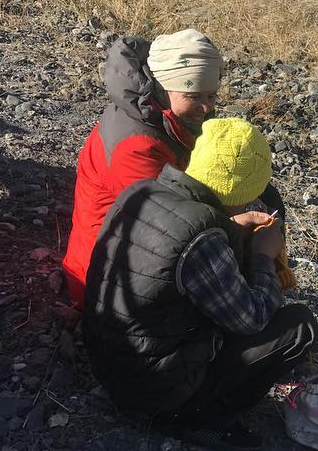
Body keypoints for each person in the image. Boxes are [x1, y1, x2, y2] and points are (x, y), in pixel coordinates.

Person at [81, 117, 315, 451]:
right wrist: (263, 257)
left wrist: (229, 227)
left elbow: (175, 246)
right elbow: (252, 319)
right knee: (299, 326)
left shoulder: (142, 191)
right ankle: (197, 418)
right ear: (242, 190)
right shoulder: (202, 239)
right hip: (153, 390)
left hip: (111, 365)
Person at [62, 29, 222, 307]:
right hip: (103, 286)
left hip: (120, 260)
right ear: (162, 88)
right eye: (194, 96)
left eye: (211, 96)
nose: (206, 108)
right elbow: (168, 226)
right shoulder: (137, 145)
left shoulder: (149, 114)